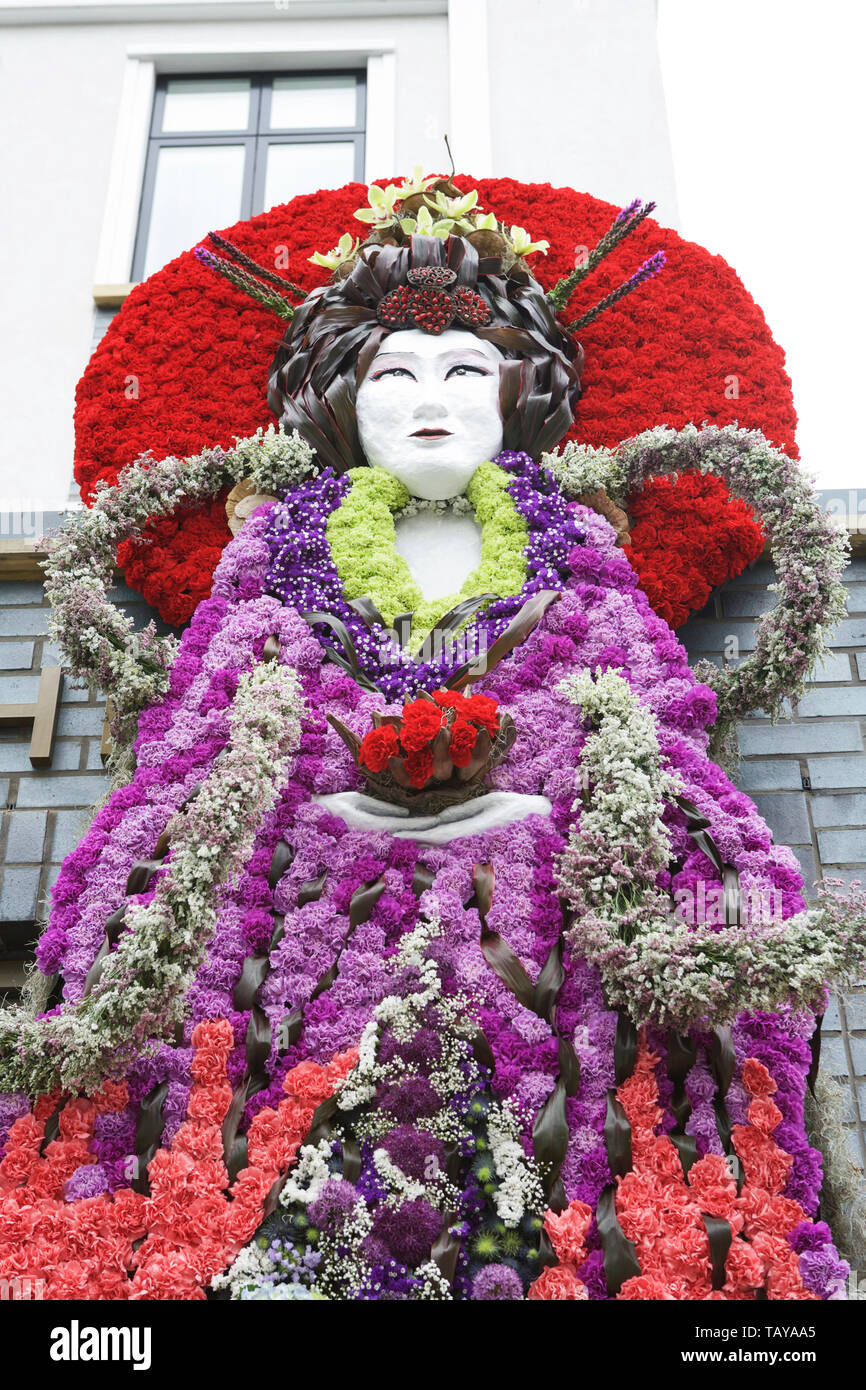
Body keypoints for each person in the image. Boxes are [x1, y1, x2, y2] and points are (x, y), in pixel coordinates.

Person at [0, 195, 847, 1302]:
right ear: (343, 404)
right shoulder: (271, 558)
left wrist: (554, 796)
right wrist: (327, 798)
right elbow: (204, 737)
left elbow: (653, 722)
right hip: (305, 940)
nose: (431, 401)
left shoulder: (581, 555)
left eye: (464, 371)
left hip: (548, 930)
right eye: (396, 374)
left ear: (520, 396)